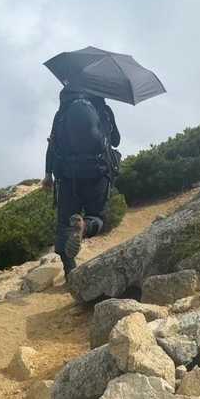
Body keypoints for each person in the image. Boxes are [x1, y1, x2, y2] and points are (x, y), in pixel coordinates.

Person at [43, 85, 120, 275]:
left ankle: (70, 271)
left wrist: (48, 174)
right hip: (98, 173)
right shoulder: (103, 109)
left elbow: (53, 145)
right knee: (97, 216)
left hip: (68, 176)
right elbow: (116, 140)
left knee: (64, 225)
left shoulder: (62, 113)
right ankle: (85, 227)